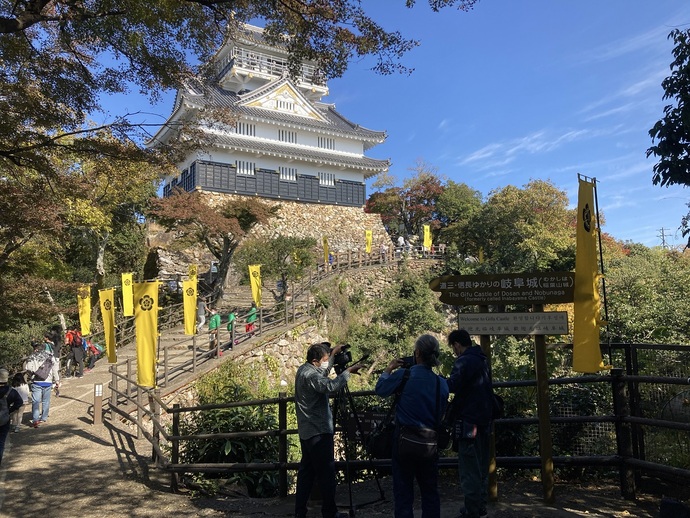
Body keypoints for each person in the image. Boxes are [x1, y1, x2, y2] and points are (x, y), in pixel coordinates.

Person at [375, 334, 449, 518]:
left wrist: (388, 369)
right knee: (430, 491)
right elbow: (441, 413)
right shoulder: (442, 384)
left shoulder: (404, 375)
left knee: (403, 491)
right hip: (429, 444)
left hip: (404, 442)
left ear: (417, 353)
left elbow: (381, 390)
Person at [294, 342, 364, 518]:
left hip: (307, 431)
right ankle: (330, 513)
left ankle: (299, 512)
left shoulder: (304, 370)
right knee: (326, 474)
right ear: (316, 360)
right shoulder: (311, 376)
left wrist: (332, 355)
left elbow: (321, 374)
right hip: (318, 432)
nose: (327, 363)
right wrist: (347, 373)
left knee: (306, 474)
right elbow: (330, 386)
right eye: (325, 360)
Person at [446, 329, 494, 518]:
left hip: (468, 421)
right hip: (484, 419)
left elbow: (453, 385)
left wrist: (440, 381)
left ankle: (472, 511)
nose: (454, 351)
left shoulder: (463, 361)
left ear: (457, 344)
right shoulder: (482, 359)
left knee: (469, 468)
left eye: (454, 348)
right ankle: (479, 506)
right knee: (481, 467)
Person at [27, 347, 60, 428]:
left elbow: (28, 368)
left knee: (36, 401)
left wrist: (33, 375)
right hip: (48, 382)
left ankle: (35, 419)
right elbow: (55, 370)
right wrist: (57, 380)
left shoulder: (32, 356)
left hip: (36, 381)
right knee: (46, 401)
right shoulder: (50, 356)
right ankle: (44, 417)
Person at [0, 368, 23, 465]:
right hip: (3, 419)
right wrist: (9, 410)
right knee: (1, 442)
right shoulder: (11, 391)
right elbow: (19, 402)